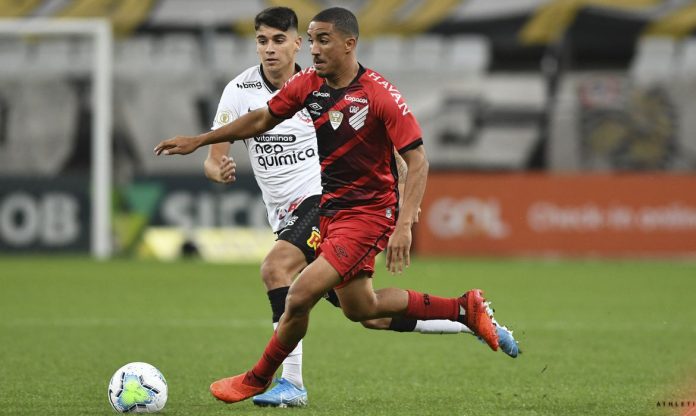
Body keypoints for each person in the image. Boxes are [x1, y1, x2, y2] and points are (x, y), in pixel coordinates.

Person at [156, 7, 518, 405]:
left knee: (295, 291)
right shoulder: (308, 84)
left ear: (349, 44)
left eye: (322, 40)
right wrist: (199, 141)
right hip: (333, 210)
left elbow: (418, 161)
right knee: (364, 309)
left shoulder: (379, 95)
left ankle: (263, 378)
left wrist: (404, 225)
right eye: (312, 40)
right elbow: (261, 119)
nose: (314, 49)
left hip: (367, 214)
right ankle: (464, 309)